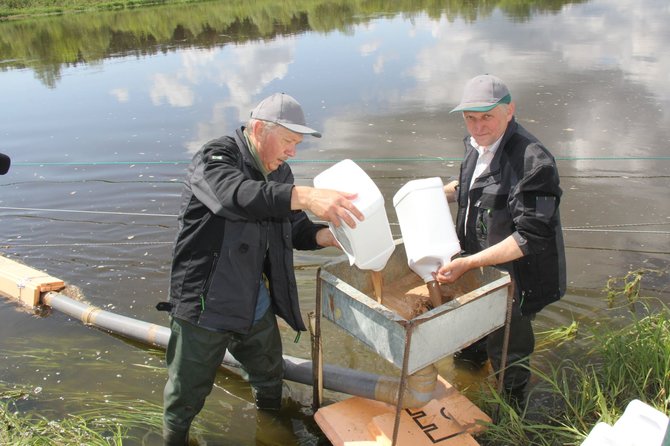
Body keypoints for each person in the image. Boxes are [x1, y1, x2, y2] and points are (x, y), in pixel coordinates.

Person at [158, 92, 364, 445]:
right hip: (205, 306)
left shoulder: (280, 172)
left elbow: (294, 228)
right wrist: (306, 196)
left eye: (297, 144)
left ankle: (273, 427)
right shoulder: (216, 158)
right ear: (258, 129)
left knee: (270, 375)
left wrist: (330, 236)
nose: (292, 152)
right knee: (185, 396)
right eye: (288, 141)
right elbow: (236, 195)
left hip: (255, 302)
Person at [436, 74, 566, 397]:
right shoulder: (478, 145)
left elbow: (531, 237)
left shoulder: (536, 163)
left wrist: (468, 264)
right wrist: (442, 193)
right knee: (469, 347)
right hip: (477, 274)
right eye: (470, 118)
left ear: (510, 111)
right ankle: (467, 392)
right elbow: (475, 183)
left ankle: (512, 420)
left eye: (487, 117)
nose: (478, 127)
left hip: (516, 281)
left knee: (509, 357)